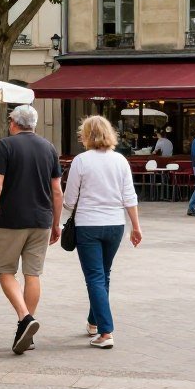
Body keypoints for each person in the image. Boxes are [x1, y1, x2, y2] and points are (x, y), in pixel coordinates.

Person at [0, 105, 63, 355]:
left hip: (13, 219)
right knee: (33, 274)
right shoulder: (49, 148)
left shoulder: (6, 146)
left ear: (14, 122)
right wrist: (56, 223)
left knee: (5, 270)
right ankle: (26, 327)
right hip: (41, 220)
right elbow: (57, 190)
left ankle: (24, 317)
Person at [62, 116, 142, 349]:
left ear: (86, 135)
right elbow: (129, 196)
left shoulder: (81, 161)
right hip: (116, 224)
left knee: (95, 277)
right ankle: (94, 322)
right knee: (103, 275)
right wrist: (136, 226)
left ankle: (106, 332)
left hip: (88, 224)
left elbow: (69, 200)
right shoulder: (120, 161)